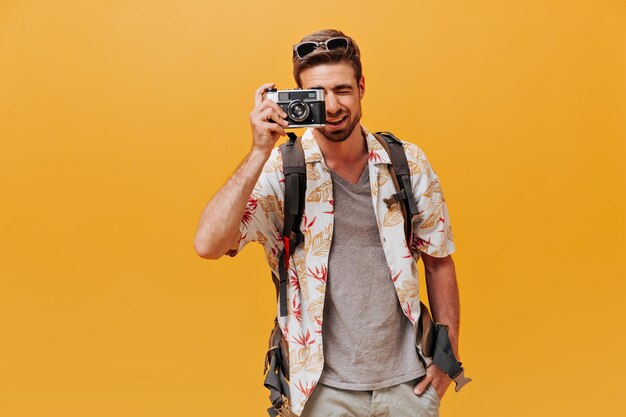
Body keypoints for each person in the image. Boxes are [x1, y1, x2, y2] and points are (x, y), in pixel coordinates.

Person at [194, 29, 462, 417]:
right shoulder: (282, 171)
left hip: (410, 383)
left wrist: (447, 353)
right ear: (298, 96)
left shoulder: (407, 163)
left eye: (343, 90)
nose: (333, 106)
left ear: (362, 86)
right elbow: (208, 244)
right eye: (318, 95)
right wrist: (257, 151)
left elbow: (439, 259)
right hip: (320, 391)